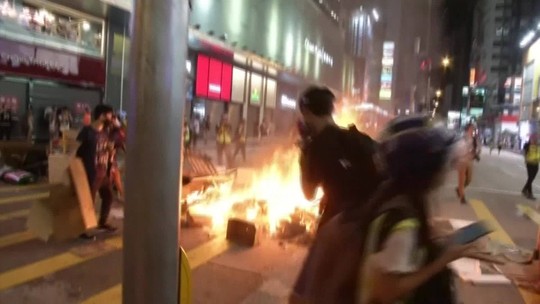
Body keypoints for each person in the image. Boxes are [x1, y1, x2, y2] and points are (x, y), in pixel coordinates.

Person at [291, 117, 482, 304]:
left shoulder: (386, 197)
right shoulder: (403, 219)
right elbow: (384, 290)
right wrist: (444, 259)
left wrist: (446, 244)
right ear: (425, 169)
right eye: (442, 163)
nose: (445, 171)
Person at [297, 86, 380, 228]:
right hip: (368, 221)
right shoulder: (356, 137)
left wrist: (304, 152)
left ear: (306, 111)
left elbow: (308, 193)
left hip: (339, 225)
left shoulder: (318, 146)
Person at [76, 104, 117, 238]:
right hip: (91, 173)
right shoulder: (87, 132)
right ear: (102, 116)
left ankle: (102, 222)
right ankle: (83, 230)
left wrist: (110, 151)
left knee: (108, 196)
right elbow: (75, 150)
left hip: (103, 172)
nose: (112, 118)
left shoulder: (105, 131)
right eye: (110, 115)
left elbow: (107, 147)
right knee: (88, 203)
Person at [456, 123, 476, 204]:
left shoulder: (473, 138)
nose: (473, 130)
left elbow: (473, 148)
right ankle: (462, 197)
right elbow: (459, 147)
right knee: (462, 179)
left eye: (473, 128)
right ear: (468, 128)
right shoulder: (463, 137)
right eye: (472, 128)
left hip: (469, 160)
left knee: (469, 179)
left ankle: (459, 190)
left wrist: (474, 154)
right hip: (462, 160)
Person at [522, 134, 539, 200]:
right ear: (530, 139)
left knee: (531, 178)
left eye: (536, 139)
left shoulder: (538, 146)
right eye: (533, 138)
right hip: (530, 163)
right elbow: (524, 153)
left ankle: (524, 189)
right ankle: (530, 194)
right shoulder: (527, 145)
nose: (535, 140)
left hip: (536, 164)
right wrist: (525, 160)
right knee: (530, 178)